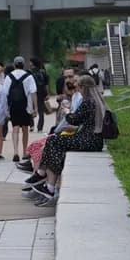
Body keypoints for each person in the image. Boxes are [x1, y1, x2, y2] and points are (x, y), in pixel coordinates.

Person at [28, 74, 107, 204]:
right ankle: (49, 186)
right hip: (94, 140)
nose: (77, 89)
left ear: (83, 87)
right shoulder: (98, 100)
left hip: (87, 140)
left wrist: (66, 111)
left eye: (78, 87)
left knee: (53, 140)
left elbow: (74, 119)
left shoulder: (88, 101)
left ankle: (43, 176)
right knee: (55, 143)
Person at [6, 56, 38, 168]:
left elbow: (5, 94)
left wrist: (6, 109)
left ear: (14, 65)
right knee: (25, 129)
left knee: (15, 129)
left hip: (14, 107)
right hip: (26, 106)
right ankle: (25, 152)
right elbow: (33, 92)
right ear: (24, 65)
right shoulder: (29, 76)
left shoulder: (9, 77)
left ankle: (15, 152)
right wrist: (35, 108)